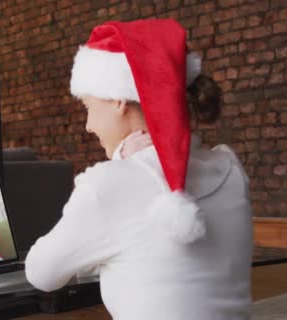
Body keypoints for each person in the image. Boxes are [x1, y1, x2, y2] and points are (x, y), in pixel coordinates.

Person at [25, 19, 253, 320]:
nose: (88, 125)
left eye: (88, 107)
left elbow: (41, 273)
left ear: (118, 100)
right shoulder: (231, 168)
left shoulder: (105, 185)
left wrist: (122, 166)